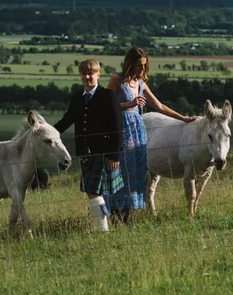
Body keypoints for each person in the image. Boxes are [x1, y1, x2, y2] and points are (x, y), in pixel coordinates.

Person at [106, 46, 197, 219]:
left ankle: (129, 213)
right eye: (139, 66)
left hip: (138, 130)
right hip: (121, 128)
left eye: (144, 66)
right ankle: (116, 211)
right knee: (122, 170)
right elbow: (104, 103)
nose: (142, 69)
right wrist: (129, 104)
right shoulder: (117, 79)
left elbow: (160, 106)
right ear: (130, 64)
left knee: (137, 170)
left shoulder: (141, 83)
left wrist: (183, 118)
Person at [54, 58, 123, 232]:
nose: (87, 77)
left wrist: (114, 155)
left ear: (98, 75)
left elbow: (117, 127)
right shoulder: (78, 97)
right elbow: (66, 120)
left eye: (91, 73)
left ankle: (102, 230)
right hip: (85, 153)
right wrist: (47, 133)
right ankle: (104, 226)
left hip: (103, 152)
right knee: (92, 192)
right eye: (84, 74)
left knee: (94, 192)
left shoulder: (108, 96)